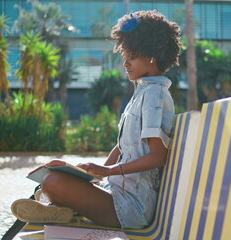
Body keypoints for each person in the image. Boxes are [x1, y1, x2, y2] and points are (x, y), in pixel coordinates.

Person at [11, 10, 182, 229]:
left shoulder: (154, 95)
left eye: (132, 56)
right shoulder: (142, 92)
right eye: (124, 56)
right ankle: (57, 209)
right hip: (117, 191)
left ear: (151, 55)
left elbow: (158, 156)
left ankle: (57, 209)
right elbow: (121, 148)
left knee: (53, 182)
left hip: (132, 207)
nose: (125, 63)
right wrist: (92, 174)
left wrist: (109, 172)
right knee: (52, 181)